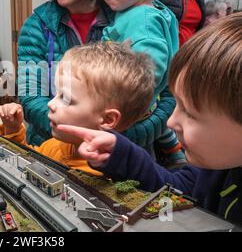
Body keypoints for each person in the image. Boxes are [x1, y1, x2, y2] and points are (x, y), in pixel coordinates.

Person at [59, 13, 242, 226]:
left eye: (190, 114)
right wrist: (120, 153)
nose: (171, 122)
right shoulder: (214, 167)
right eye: (177, 105)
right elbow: (177, 188)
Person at [18, 0, 176, 156]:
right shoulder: (37, 26)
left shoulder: (133, 15)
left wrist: (118, 139)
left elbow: (167, 94)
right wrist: (79, 133)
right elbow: (31, 96)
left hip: (126, 151)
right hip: (56, 151)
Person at [0, 41, 155, 175]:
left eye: (65, 99)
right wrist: (13, 129)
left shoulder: (110, 176)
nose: (50, 104)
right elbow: (26, 166)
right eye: (56, 94)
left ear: (108, 119)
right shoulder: (54, 146)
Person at [98, 0, 184, 166]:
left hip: (133, 111)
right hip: (141, 106)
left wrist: (119, 88)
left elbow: (150, 67)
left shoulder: (142, 18)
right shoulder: (147, 10)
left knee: (133, 164)